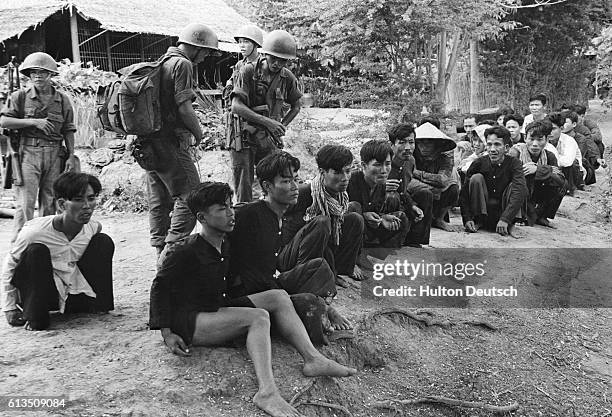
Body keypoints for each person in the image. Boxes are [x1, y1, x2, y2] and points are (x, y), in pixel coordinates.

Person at [149, 182, 356, 417]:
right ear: (201, 217)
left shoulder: (224, 243)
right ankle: (267, 392)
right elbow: (159, 287)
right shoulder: (185, 250)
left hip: (217, 307)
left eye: (230, 206)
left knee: (278, 297)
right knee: (258, 318)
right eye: (221, 209)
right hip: (191, 321)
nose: (230, 213)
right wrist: (166, 332)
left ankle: (313, 359)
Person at [230, 151, 352, 330]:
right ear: (268, 186)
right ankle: (323, 310)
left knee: (319, 266)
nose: (295, 186)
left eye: (296, 179)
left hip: (270, 283)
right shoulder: (250, 215)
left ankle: (323, 306)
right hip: (250, 293)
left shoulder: (278, 215)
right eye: (286, 181)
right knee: (308, 302)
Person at [145, 23, 221, 258]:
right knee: (191, 196)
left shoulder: (162, 61)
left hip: (148, 143)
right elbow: (184, 107)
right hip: (170, 141)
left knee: (159, 199)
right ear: (196, 46)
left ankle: (160, 250)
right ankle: (173, 252)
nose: (206, 56)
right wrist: (198, 133)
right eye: (206, 51)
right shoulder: (183, 64)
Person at [1, 172, 114, 330]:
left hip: (72, 291)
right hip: (43, 293)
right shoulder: (35, 232)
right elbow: (10, 265)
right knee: (36, 251)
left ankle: (96, 303)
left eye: (91, 198)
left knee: (103, 241)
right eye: (78, 200)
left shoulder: (93, 228)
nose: (87, 206)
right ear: (61, 204)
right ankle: (35, 314)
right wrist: (9, 307)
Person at [0, 52, 78, 243]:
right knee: (25, 204)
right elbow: (4, 121)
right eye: (33, 72)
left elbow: (68, 129)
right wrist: (34, 122)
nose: (37, 76)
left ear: (50, 74)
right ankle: (20, 249)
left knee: (50, 202)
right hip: (28, 153)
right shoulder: (20, 97)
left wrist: (71, 156)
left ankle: (44, 245)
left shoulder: (62, 100)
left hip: (55, 155)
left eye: (42, 72)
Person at [230, 29, 303, 202]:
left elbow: (296, 105)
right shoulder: (248, 71)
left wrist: (280, 126)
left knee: (276, 183)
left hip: (268, 140)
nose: (277, 63)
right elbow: (236, 106)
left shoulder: (287, 78)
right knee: (244, 189)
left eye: (282, 60)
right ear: (265, 53)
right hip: (245, 136)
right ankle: (244, 222)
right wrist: (268, 122)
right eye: (273, 58)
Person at [283, 144, 365, 285]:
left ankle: (342, 269)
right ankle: (310, 276)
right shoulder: (303, 193)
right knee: (322, 222)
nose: (345, 178)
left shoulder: (341, 195)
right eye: (337, 172)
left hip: (321, 249)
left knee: (355, 218)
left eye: (347, 171)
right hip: (294, 256)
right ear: (322, 172)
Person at [460, 126, 527, 236]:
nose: (492, 149)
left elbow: (519, 191)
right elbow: (464, 193)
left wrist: (506, 219)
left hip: (505, 214)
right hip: (485, 212)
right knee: (476, 178)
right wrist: (467, 218)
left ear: (506, 148)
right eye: (489, 144)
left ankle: (511, 224)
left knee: (517, 187)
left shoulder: (514, 163)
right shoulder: (478, 163)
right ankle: (479, 221)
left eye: (497, 145)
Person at [347, 140, 412, 248]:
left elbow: (376, 211)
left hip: (368, 230)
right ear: (364, 165)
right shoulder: (349, 181)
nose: (384, 170)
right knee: (354, 207)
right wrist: (363, 216)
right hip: (349, 233)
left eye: (387, 164)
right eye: (377, 165)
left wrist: (382, 219)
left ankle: (385, 254)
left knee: (401, 218)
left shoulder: (380, 184)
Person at [225, 25, 264, 201]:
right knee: (242, 175)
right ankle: (244, 212)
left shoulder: (265, 67)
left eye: (246, 42)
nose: (242, 45)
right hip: (239, 126)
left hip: (260, 126)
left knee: (270, 173)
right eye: (240, 42)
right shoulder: (239, 66)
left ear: (256, 44)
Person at [509, 121, 565, 227]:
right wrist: (546, 170)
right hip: (518, 193)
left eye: (540, 139)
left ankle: (542, 216)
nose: (535, 144)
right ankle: (518, 216)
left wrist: (538, 169)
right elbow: (509, 175)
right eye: (531, 139)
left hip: (537, 192)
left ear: (547, 140)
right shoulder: (516, 152)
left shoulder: (549, 156)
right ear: (525, 138)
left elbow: (560, 178)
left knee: (560, 183)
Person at [387, 123, 432, 246]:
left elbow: (403, 189)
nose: (408, 147)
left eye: (411, 142)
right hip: (382, 205)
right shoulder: (384, 162)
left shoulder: (410, 161)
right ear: (392, 145)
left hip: (401, 198)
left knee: (425, 194)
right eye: (402, 142)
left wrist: (411, 205)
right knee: (392, 196)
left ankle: (415, 241)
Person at [412, 122, 461, 232]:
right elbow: (409, 180)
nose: (423, 147)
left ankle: (439, 219)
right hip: (419, 193)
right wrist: (431, 188)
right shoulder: (412, 155)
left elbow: (442, 180)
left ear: (436, 144)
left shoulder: (445, 156)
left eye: (428, 144)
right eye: (420, 143)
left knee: (453, 188)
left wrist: (417, 173)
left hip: (439, 194)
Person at [544, 112, 585, 196]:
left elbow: (567, 162)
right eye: (547, 129)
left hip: (574, 174)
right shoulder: (543, 140)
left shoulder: (569, 141)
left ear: (561, 128)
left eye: (553, 129)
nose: (549, 132)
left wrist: (553, 159)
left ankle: (571, 188)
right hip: (555, 171)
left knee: (573, 163)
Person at [560, 109, 599, 185]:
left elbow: (577, 158)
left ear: (574, 124)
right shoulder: (557, 137)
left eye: (565, 123)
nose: (562, 125)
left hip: (579, 167)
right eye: (561, 122)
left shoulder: (581, 139)